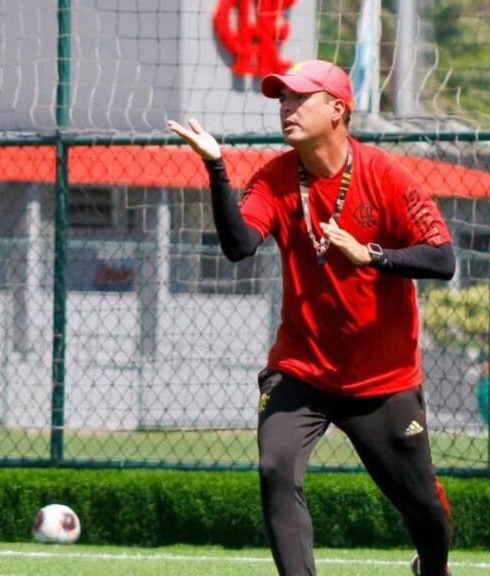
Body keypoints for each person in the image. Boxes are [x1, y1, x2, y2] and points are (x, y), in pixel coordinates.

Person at [167, 59, 455, 576]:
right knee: (275, 466)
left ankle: (432, 568)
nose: (287, 108)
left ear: (338, 109)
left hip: (382, 380)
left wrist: (374, 256)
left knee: (424, 508)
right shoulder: (275, 178)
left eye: (300, 98)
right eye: (282, 99)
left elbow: (443, 258)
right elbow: (239, 246)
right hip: (301, 370)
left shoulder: (388, 177)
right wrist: (215, 168)